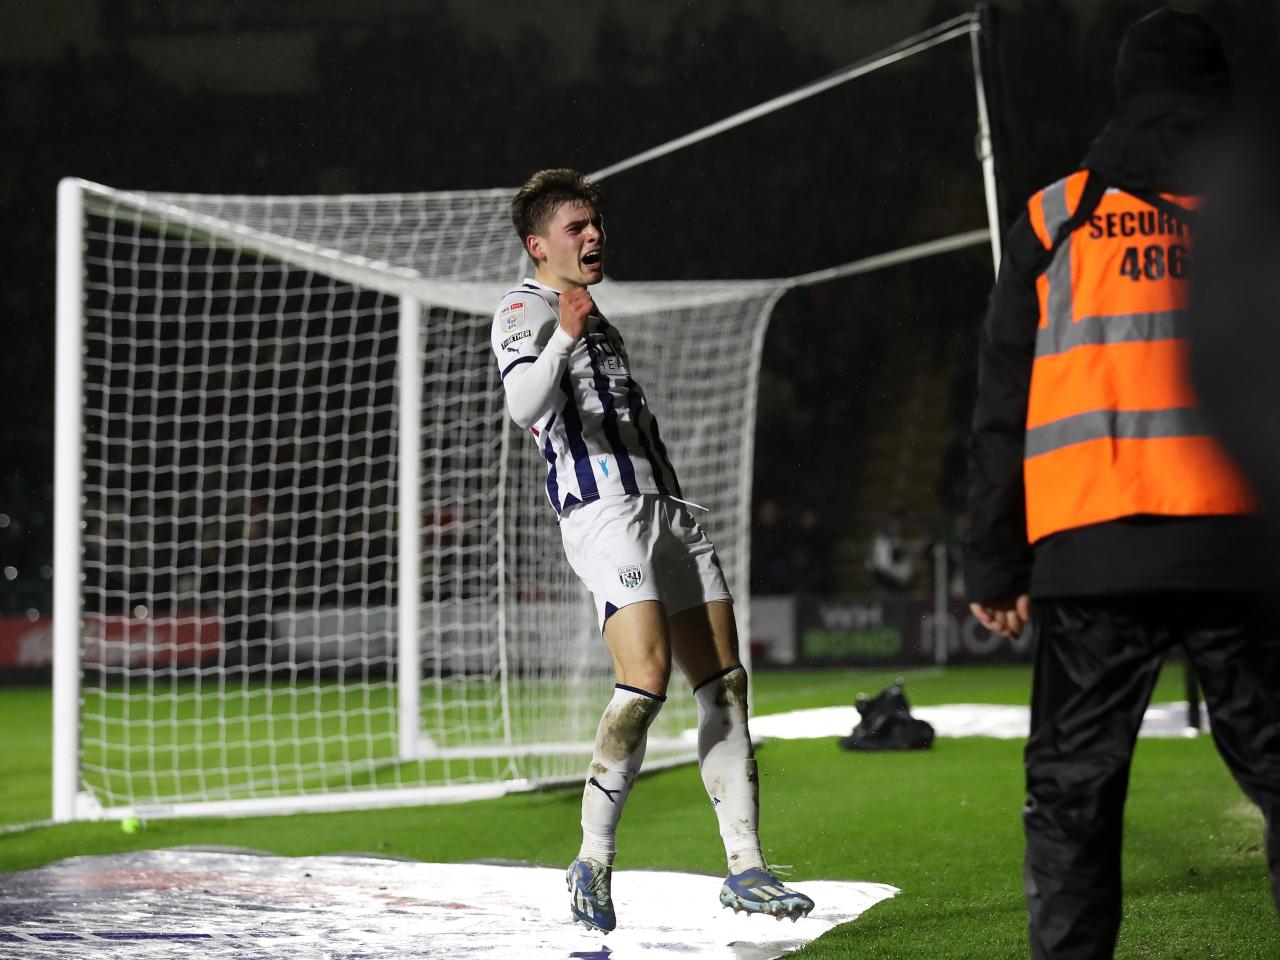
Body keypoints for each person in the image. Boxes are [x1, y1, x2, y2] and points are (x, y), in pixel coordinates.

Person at [964, 10, 1280, 959]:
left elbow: (1002, 399)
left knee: (1072, 791)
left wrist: (993, 561)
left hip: (1092, 549)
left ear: (1125, 89)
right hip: (1244, 548)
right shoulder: (1260, 213)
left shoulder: (1054, 215)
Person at [493, 168, 814, 933]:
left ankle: (747, 868)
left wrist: (583, 329)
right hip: (603, 514)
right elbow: (523, 408)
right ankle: (593, 859)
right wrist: (565, 332)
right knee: (645, 680)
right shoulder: (521, 309)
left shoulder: (601, 322)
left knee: (727, 684)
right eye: (577, 227)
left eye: (596, 223)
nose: (594, 235)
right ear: (540, 245)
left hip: (667, 509)